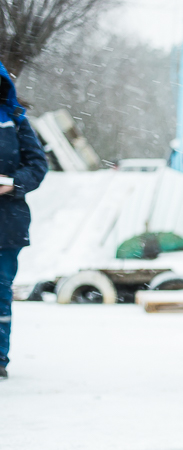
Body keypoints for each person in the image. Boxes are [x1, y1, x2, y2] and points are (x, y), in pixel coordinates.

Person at [0, 60, 48, 381]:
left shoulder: (15, 120)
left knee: (0, 290)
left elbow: (38, 165)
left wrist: (13, 184)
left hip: (6, 224)